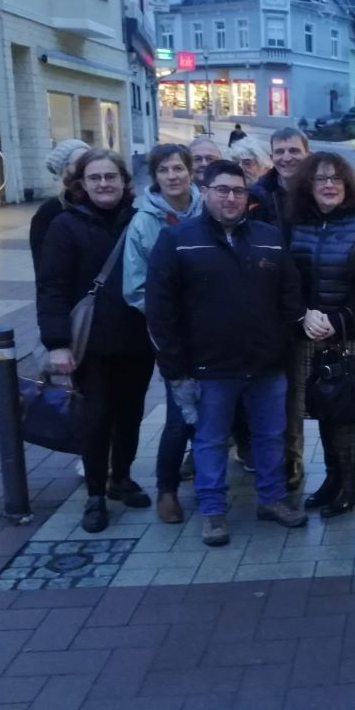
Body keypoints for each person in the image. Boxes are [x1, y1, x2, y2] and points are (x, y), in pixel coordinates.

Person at [146, 160, 308, 546]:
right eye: (222, 190)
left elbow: (290, 296)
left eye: (238, 190)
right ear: (204, 192)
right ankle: (213, 512)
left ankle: (272, 500)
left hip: (266, 363)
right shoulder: (177, 240)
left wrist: (288, 343)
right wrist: (175, 367)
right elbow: (160, 309)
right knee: (210, 440)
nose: (231, 197)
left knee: (270, 436)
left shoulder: (268, 236)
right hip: (208, 367)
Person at [37, 148, 154, 533]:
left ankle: (121, 477)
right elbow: (51, 288)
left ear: (124, 182)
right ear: (81, 185)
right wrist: (57, 343)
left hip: (137, 339)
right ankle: (95, 495)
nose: (104, 184)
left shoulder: (140, 220)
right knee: (97, 418)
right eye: (95, 178)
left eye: (111, 177)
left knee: (131, 414)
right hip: (92, 345)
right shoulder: (65, 225)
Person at [287, 153, 355, 518]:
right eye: (320, 180)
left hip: (351, 333)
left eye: (335, 180)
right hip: (308, 331)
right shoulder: (294, 223)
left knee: (347, 410)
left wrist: (338, 319)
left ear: (347, 185)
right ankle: (331, 479)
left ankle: (349, 486)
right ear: (308, 187)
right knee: (322, 409)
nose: (328, 185)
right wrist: (303, 316)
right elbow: (287, 278)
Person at [123, 144, 204, 524]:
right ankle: (167, 489)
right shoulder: (144, 222)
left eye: (178, 168)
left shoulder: (211, 208)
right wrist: (168, 318)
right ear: (155, 177)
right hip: (173, 335)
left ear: (190, 171)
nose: (172, 176)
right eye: (164, 170)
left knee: (216, 412)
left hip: (218, 329)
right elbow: (135, 287)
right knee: (180, 414)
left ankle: (209, 483)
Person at [247, 127, 311, 488]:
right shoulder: (258, 195)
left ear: (307, 151)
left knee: (303, 391)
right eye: (279, 151)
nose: (286, 157)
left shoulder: (322, 187)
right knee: (278, 392)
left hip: (313, 306)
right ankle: (285, 461)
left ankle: (295, 458)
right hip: (268, 308)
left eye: (293, 151)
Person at [30, 139, 89, 275]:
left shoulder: (101, 201)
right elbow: (43, 267)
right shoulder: (49, 211)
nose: (88, 165)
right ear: (65, 170)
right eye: (80, 162)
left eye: (90, 158)